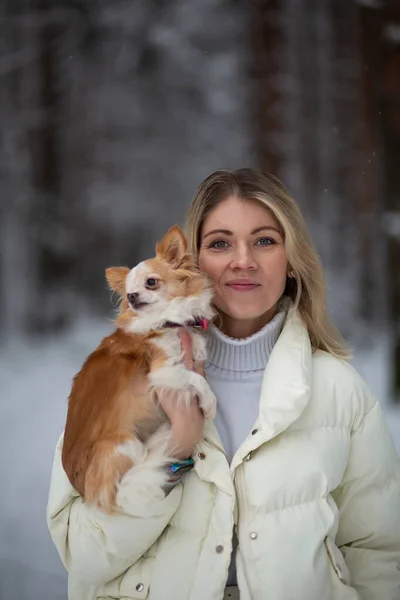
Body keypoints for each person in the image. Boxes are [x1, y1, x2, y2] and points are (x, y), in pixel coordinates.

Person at [47, 168, 400, 600]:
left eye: (265, 240)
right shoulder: (117, 376)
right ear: (191, 261)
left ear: (292, 261)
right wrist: (176, 453)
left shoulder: (340, 390)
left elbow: (379, 554)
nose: (243, 260)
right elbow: (82, 554)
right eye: (219, 243)